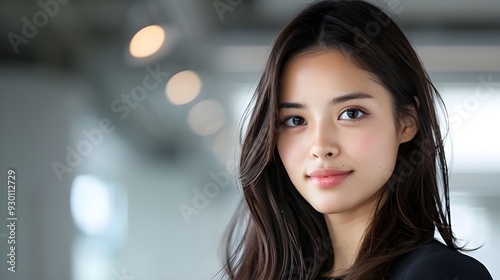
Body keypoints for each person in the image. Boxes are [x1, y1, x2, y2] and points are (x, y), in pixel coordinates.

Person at [218, 1, 493, 279]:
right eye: (295, 120)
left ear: (407, 122)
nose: (320, 147)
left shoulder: (438, 273)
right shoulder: (271, 272)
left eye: (350, 113)